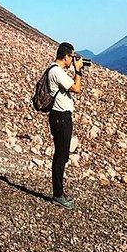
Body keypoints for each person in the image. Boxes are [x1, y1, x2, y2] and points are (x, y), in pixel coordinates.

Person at [47, 42, 84, 209]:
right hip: (61, 117)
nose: (73, 60)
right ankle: (58, 195)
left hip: (60, 116)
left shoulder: (55, 70)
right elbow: (76, 88)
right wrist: (78, 71)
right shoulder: (56, 71)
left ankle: (59, 193)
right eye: (72, 56)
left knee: (61, 155)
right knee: (61, 156)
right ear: (66, 56)